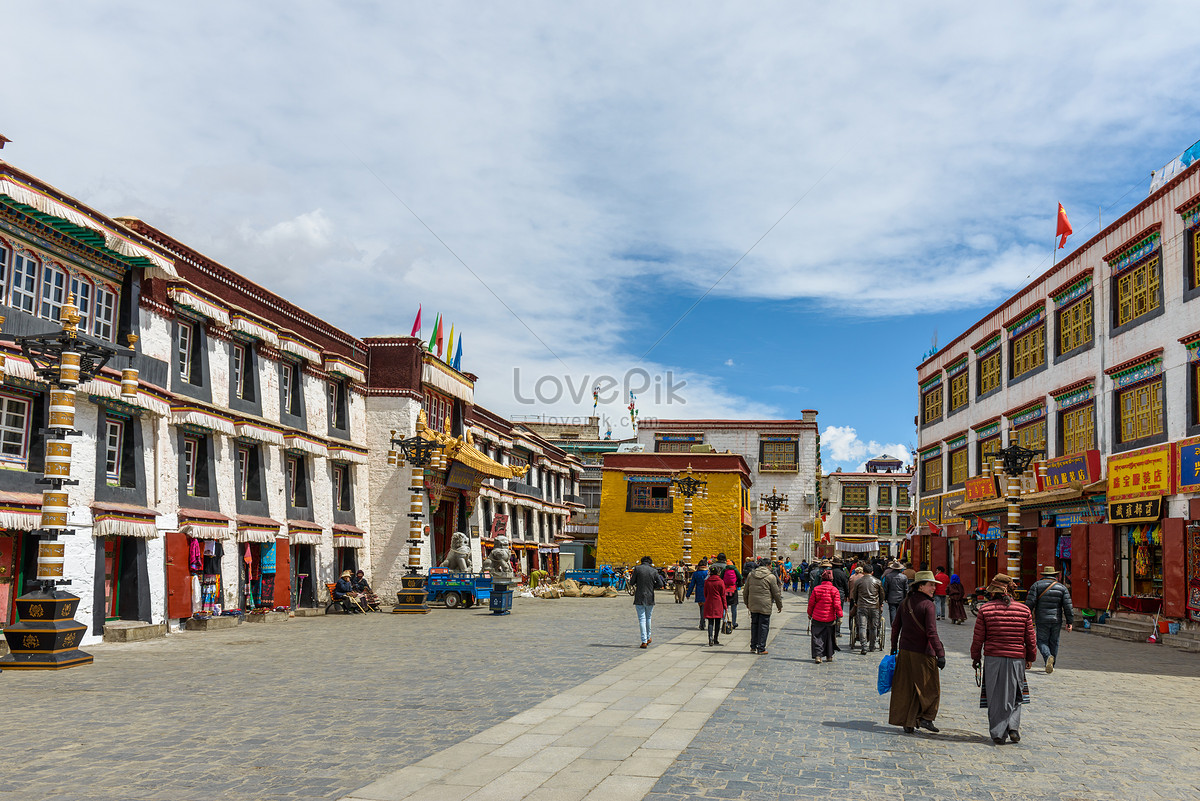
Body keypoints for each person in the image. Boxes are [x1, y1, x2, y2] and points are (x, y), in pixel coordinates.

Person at [972, 579, 1037, 744]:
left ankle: (998, 733)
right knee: (1016, 692)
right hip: (1017, 659)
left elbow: (978, 638)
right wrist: (1030, 657)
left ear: (993, 592)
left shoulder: (985, 609)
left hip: (994, 658)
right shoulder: (1024, 610)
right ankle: (1013, 727)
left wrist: (976, 658)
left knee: (995, 695)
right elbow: (1030, 639)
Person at [888, 570, 945, 734]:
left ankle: (909, 721)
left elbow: (895, 627)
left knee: (910, 687)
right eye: (930, 585)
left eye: (934, 585)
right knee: (931, 688)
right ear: (920, 586)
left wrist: (894, 647)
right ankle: (927, 718)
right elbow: (931, 632)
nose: (933, 588)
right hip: (923, 652)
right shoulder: (928, 605)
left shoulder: (905, 602)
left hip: (905, 651)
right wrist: (940, 653)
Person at [1025, 566, 1074, 673]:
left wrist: (1026, 618)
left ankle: (1048, 657)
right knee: (1054, 642)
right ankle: (1052, 663)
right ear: (1055, 575)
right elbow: (1068, 606)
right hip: (1056, 619)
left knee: (1041, 641)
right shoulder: (1062, 588)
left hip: (1042, 619)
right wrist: (1070, 622)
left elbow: (1030, 604)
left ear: (1044, 575)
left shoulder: (1036, 585)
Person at [743, 557, 784, 654]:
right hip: (765, 604)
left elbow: (745, 591)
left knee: (754, 624)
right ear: (768, 565)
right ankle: (761, 647)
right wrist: (779, 605)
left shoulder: (750, 575)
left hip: (753, 603)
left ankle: (753, 646)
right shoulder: (771, 577)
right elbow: (776, 593)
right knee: (764, 625)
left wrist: (747, 603)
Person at [806, 569, 842, 663]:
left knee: (817, 636)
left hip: (817, 617)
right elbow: (837, 604)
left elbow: (811, 603)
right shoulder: (834, 590)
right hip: (830, 618)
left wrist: (809, 614)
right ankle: (829, 656)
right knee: (829, 637)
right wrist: (840, 616)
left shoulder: (816, 589)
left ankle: (818, 655)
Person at [631, 556, 665, 648]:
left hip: (639, 596)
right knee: (648, 618)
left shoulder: (637, 569)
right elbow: (660, 584)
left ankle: (644, 640)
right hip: (650, 596)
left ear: (642, 562)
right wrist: (652, 586)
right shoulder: (654, 571)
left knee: (642, 619)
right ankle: (648, 637)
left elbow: (631, 582)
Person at [850, 564, 883, 654]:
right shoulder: (877, 581)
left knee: (862, 626)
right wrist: (880, 603)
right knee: (873, 627)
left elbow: (855, 594)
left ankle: (864, 646)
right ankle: (872, 646)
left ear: (863, 572)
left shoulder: (858, 582)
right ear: (872, 572)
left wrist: (856, 602)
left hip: (862, 606)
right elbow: (881, 595)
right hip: (874, 607)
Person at [711, 553, 741, 630]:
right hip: (732, 589)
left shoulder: (713, 566)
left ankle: (724, 621)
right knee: (734, 607)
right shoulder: (729, 567)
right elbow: (739, 577)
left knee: (725, 606)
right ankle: (733, 623)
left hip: (721, 588)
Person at [702, 568, 729, 646]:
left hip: (709, 602)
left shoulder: (707, 581)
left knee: (710, 622)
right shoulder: (720, 582)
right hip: (718, 603)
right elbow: (723, 595)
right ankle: (715, 638)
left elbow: (705, 593)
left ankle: (710, 638)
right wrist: (725, 606)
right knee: (717, 622)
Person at [685, 558, 709, 630]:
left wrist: (688, 594)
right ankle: (704, 621)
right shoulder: (708, 573)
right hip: (708, 592)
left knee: (701, 607)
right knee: (706, 607)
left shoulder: (696, 573)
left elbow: (692, 584)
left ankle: (702, 622)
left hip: (699, 592)